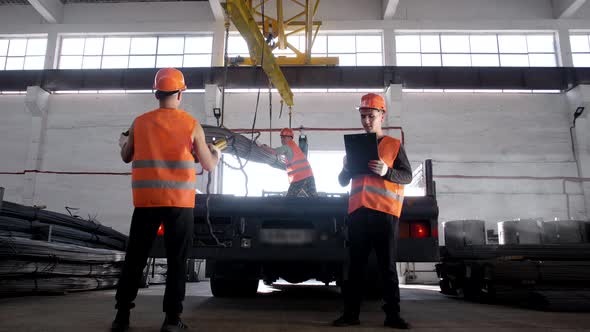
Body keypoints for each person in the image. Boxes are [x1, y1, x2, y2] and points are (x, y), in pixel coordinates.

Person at [112, 68, 220, 332]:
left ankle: (121, 318)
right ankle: (172, 320)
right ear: (180, 93)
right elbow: (207, 164)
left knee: (135, 259)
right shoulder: (191, 124)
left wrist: (123, 143)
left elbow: (127, 156)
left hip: (146, 202)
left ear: (157, 93)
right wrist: (215, 153)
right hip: (179, 203)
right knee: (176, 261)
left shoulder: (140, 122)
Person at [333, 93, 413, 329]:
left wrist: (386, 172)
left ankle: (393, 316)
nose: (366, 121)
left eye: (371, 116)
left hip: (384, 213)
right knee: (355, 267)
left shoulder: (394, 145)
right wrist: (346, 168)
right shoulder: (354, 148)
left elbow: (406, 176)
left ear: (382, 115)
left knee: (387, 267)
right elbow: (341, 181)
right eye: (363, 116)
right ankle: (350, 314)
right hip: (358, 212)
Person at [261, 128, 317, 197]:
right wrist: (302, 134)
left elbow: (275, 151)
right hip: (309, 175)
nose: (282, 139)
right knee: (314, 198)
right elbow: (303, 145)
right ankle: (323, 207)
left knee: (289, 199)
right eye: (281, 137)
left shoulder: (287, 147)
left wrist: (262, 146)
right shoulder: (295, 147)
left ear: (290, 138)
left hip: (299, 177)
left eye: (284, 137)